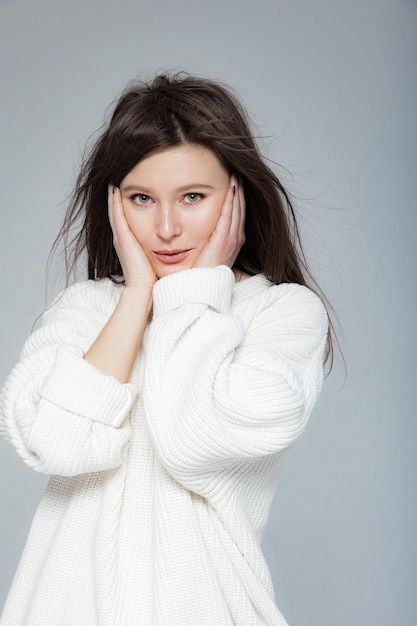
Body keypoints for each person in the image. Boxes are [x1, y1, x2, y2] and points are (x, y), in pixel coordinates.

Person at [0, 72, 331, 626]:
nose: (168, 227)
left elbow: (193, 438)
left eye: (193, 198)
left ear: (237, 196)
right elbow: (57, 444)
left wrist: (189, 295)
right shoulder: (85, 311)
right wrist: (135, 297)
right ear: (114, 204)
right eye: (142, 199)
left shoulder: (283, 316)